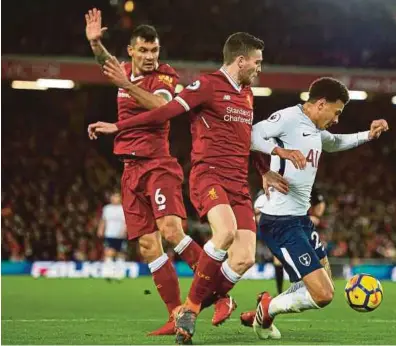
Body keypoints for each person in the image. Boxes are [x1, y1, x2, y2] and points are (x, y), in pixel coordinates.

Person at [87, 32, 304, 344]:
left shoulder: (240, 92)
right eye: (257, 62)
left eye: (155, 49)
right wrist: (96, 47)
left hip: (216, 177)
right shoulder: (206, 84)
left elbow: (248, 138)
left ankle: (212, 299)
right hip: (201, 174)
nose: (260, 68)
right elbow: (167, 109)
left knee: (242, 257)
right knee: (161, 243)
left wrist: (264, 171)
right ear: (241, 60)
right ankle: (184, 309)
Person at [240, 77, 389, 340]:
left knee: (321, 285)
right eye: (337, 111)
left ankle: (264, 313)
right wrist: (275, 158)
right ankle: (267, 308)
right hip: (280, 223)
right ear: (321, 104)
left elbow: (333, 142)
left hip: (301, 220)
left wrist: (368, 134)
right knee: (322, 294)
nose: (337, 119)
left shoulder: (313, 128)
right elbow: (250, 135)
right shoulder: (288, 118)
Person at [85, 8, 203, 336]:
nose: (151, 56)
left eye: (155, 50)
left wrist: (126, 84)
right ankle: (175, 314)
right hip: (130, 169)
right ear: (132, 51)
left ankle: (219, 293)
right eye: (145, 50)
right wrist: (96, 44)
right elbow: (105, 63)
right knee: (149, 247)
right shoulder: (123, 70)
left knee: (171, 230)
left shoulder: (165, 76)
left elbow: (162, 108)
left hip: (157, 164)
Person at [254, 187, 327, 296]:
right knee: (280, 259)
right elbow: (257, 212)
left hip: (296, 224)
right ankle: (286, 290)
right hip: (279, 226)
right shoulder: (268, 189)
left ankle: (306, 285)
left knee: (298, 257)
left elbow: (320, 203)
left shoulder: (302, 185)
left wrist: (315, 216)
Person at [97, 192, 126, 279]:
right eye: (114, 196)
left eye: (117, 196)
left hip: (120, 235)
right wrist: (100, 229)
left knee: (120, 253)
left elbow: (126, 222)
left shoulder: (123, 209)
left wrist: (124, 231)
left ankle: (119, 274)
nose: (115, 198)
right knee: (108, 252)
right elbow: (103, 220)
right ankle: (108, 273)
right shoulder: (107, 208)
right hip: (109, 234)